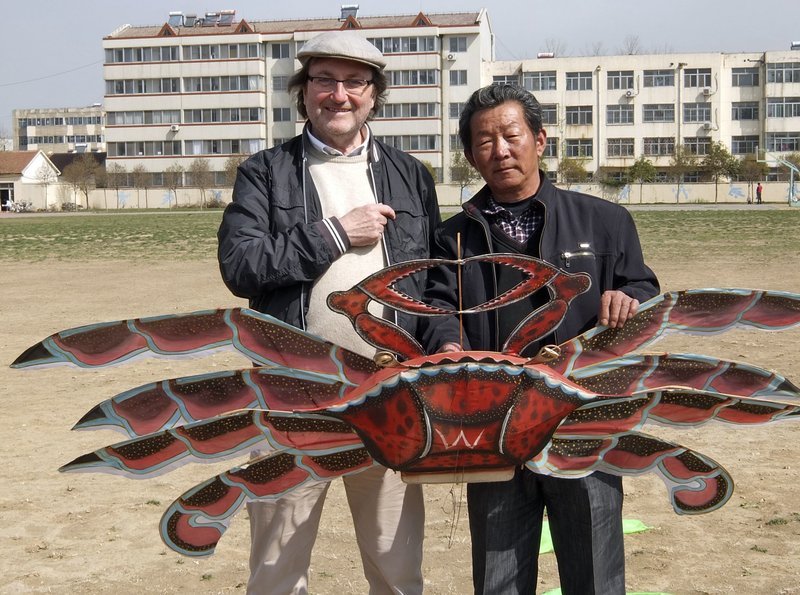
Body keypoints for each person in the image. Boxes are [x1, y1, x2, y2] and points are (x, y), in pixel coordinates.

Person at [217, 31, 440, 595]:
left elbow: (436, 281)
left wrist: (443, 345)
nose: (338, 95)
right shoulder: (265, 172)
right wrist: (336, 233)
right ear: (304, 90)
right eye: (324, 80)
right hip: (292, 393)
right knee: (275, 565)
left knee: (397, 565)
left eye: (354, 82)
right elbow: (242, 266)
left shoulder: (412, 174)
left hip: (388, 392)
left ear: (373, 94)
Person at [421, 84, 659, 595]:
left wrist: (629, 298)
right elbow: (439, 307)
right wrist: (446, 344)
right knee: (499, 576)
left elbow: (641, 285)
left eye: (511, 135)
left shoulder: (605, 220)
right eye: (484, 141)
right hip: (493, 424)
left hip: (582, 419)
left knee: (594, 572)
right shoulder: (453, 237)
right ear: (470, 155)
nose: (500, 150)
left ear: (540, 140)